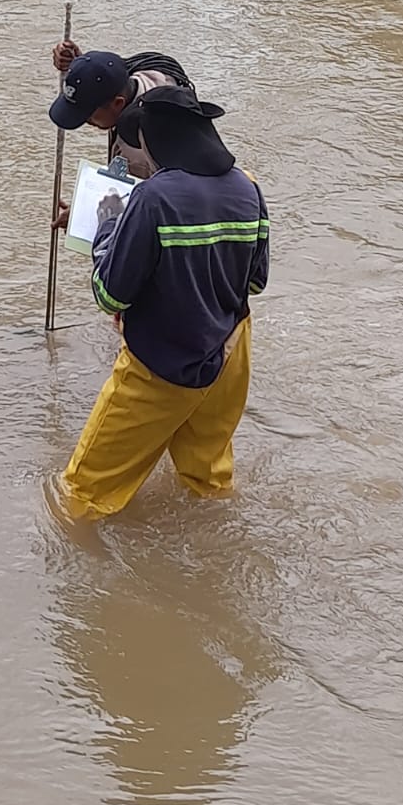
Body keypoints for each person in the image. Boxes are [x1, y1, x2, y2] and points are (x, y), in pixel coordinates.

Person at [57, 85, 269, 521]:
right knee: (208, 485)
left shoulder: (153, 199)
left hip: (164, 363)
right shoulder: (249, 188)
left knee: (81, 495)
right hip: (229, 355)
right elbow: (256, 281)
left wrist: (107, 228)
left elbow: (110, 293)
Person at [49, 46, 193, 194]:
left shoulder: (138, 156)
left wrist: (81, 213)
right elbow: (110, 71)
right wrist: (83, 66)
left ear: (118, 103)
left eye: (89, 116)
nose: (86, 121)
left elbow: (136, 208)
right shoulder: (155, 75)